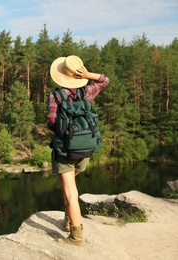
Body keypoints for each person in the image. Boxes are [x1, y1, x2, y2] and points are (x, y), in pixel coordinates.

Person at [47, 55, 109, 246]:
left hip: (66, 149)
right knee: (69, 185)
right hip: (86, 148)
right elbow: (105, 80)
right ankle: (67, 221)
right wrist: (89, 74)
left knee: (70, 192)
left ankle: (76, 237)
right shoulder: (88, 91)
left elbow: (51, 122)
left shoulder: (56, 95)